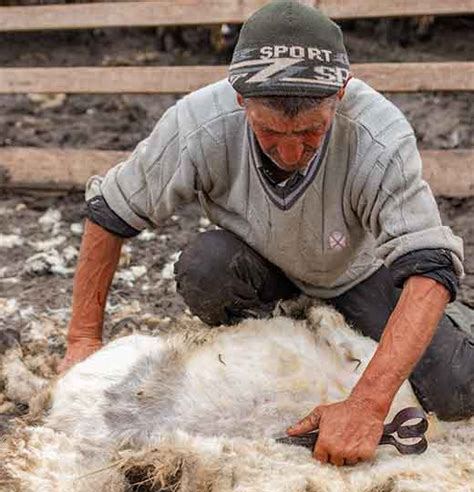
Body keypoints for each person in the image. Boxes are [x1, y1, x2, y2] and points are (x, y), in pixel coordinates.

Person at [59, 0, 473, 466]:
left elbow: (430, 266)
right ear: (241, 100)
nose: (291, 151)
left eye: (312, 132)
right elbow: (111, 211)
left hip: (355, 274)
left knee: (456, 386)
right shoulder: (199, 123)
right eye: (270, 132)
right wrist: (83, 341)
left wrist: (368, 404)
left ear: (340, 94)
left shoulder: (378, 135)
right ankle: (290, 336)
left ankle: (457, 325)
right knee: (205, 268)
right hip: (260, 268)